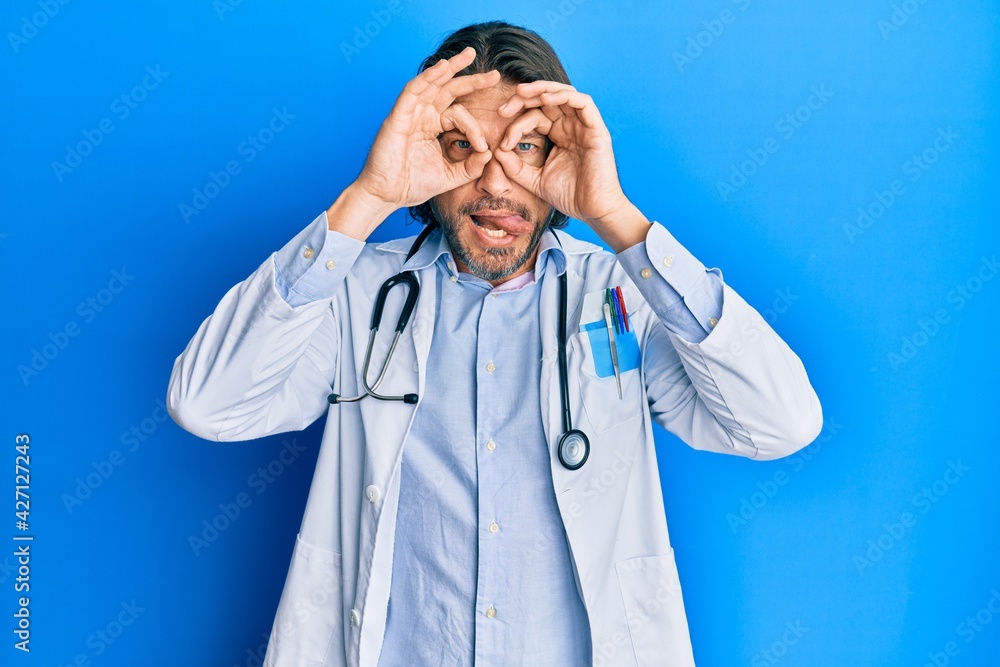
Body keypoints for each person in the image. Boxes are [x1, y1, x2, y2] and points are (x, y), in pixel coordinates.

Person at [167, 20, 822, 667]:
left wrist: (617, 219)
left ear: (565, 155)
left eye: (528, 147)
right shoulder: (354, 291)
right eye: (463, 146)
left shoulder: (625, 297)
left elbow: (781, 423)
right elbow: (207, 403)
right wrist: (368, 196)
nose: (497, 182)